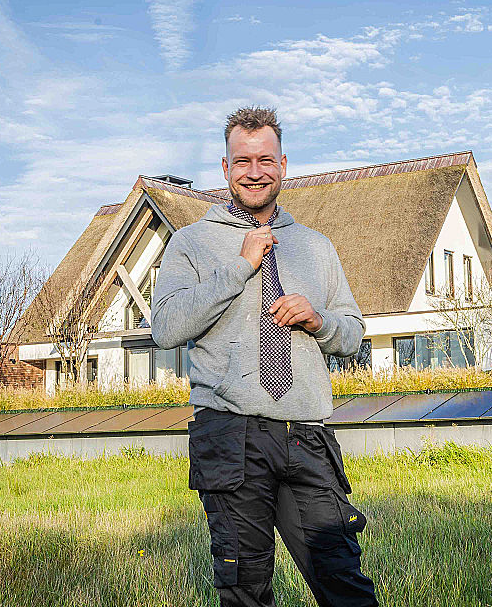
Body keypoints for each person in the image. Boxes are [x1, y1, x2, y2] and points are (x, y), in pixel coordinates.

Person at [153, 106, 379, 607]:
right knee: (245, 590)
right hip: (231, 433)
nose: (254, 171)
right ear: (225, 169)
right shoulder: (190, 243)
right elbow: (167, 328)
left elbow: (355, 334)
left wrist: (320, 321)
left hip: (306, 433)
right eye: (242, 161)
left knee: (343, 579)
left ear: (283, 164)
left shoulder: (317, 247)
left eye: (265, 160)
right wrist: (238, 269)